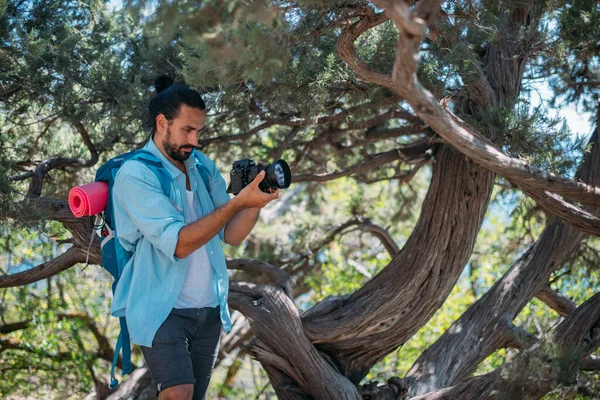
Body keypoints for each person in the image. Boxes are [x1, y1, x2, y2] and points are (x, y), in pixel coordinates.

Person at [110, 76, 279, 400]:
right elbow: (179, 244)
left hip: (210, 307)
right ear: (162, 123)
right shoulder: (136, 174)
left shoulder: (201, 166)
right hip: (161, 308)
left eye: (198, 131)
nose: (195, 140)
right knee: (179, 392)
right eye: (187, 130)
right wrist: (237, 203)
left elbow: (231, 234)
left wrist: (255, 201)